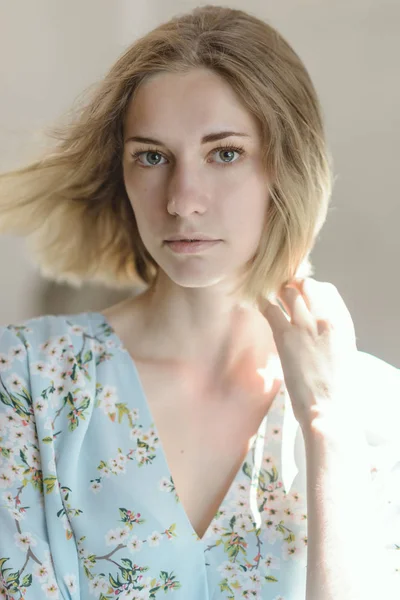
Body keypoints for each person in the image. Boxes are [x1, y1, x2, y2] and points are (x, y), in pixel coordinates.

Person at [0, 5, 398, 599]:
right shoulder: (29, 379)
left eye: (226, 153)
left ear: (288, 168)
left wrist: (329, 428)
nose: (184, 201)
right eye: (153, 156)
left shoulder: (376, 414)